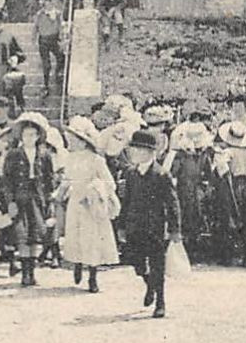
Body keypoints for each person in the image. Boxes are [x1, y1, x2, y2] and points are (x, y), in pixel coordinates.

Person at [117, 129, 181, 318]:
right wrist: (121, 226)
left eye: (137, 150)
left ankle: (160, 302)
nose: (133, 153)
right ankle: (150, 285)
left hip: (155, 228)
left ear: (149, 153)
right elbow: (126, 201)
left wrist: (175, 229)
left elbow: (173, 203)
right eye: (133, 150)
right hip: (135, 226)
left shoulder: (161, 174)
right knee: (136, 263)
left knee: (157, 266)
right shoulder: (131, 174)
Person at [60, 116, 122, 293]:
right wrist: (60, 193)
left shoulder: (96, 160)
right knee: (76, 236)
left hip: (91, 205)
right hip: (75, 202)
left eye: (74, 139)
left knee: (92, 239)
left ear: (83, 141)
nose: (70, 142)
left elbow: (110, 182)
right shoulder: (70, 159)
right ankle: (78, 264)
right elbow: (67, 180)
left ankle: (92, 276)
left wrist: (96, 189)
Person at [3, 112, 56, 286]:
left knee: (35, 235)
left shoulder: (45, 155)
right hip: (20, 198)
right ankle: (24, 273)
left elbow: (49, 179)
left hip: (37, 198)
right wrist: (10, 201)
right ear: (21, 136)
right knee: (21, 234)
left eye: (33, 135)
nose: (29, 138)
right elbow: (7, 180)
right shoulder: (14, 155)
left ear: (38, 136)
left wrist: (49, 200)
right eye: (26, 135)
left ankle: (31, 272)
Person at [208, 120, 246, 266]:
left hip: (232, 185)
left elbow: (221, 168)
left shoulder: (227, 152)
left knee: (228, 218)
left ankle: (227, 256)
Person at [169, 112, 215, 265]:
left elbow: (209, 173)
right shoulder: (180, 156)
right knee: (185, 217)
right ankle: (187, 250)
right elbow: (173, 173)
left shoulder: (203, 155)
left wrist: (207, 186)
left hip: (197, 190)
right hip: (184, 190)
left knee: (198, 217)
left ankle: (195, 249)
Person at [32, 0, 66, 96]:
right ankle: (46, 85)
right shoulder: (40, 14)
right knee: (46, 64)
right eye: (46, 2)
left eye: (50, 2)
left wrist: (62, 37)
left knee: (61, 56)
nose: (48, 4)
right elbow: (35, 27)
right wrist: (33, 38)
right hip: (43, 40)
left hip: (54, 39)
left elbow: (61, 26)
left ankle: (58, 73)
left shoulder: (57, 14)